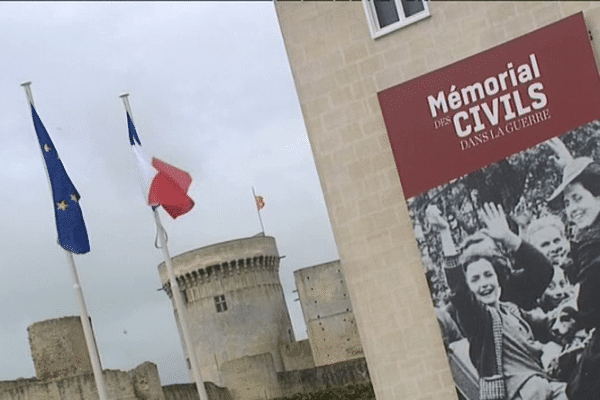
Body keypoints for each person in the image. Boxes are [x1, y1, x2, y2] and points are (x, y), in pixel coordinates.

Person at [427, 203, 566, 400]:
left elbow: (543, 324)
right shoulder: (477, 318)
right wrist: (444, 232)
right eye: (475, 279)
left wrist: (570, 314)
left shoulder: (512, 309)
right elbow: (458, 287)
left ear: (498, 281)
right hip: (520, 393)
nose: (484, 283)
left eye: (488, 275)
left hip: (545, 384)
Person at [545, 139, 600, 399]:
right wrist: (573, 168)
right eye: (567, 203)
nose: (572, 210)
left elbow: (589, 309)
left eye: (577, 199)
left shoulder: (590, 244)